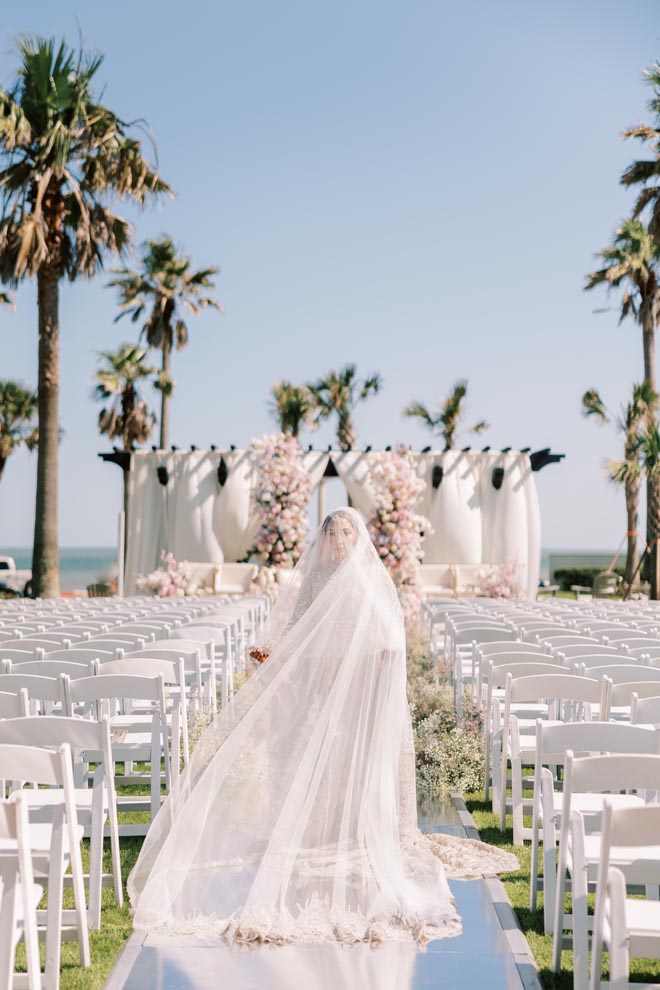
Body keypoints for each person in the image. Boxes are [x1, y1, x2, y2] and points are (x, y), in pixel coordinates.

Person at [128, 508, 516, 946]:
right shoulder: (314, 579)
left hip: (360, 689)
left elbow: (389, 634)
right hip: (321, 690)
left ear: (357, 536)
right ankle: (322, 831)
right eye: (331, 533)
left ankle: (354, 831)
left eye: (345, 532)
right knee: (315, 758)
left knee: (354, 762)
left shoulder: (369, 578)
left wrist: (376, 658)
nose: (337, 541)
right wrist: (274, 650)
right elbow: (298, 628)